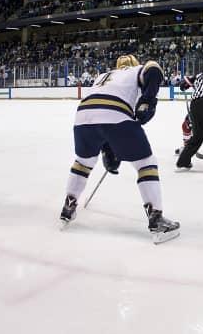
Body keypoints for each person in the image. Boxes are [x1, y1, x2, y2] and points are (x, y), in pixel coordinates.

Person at [59, 55, 179, 244]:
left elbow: (102, 120)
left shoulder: (103, 76)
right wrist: (147, 100)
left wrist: (108, 148)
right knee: (145, 164)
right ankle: (156, 218)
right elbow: (154, 69)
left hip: (83, 116)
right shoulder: (135, 71)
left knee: (83, 162)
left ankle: (68, 206)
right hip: (114, 113)